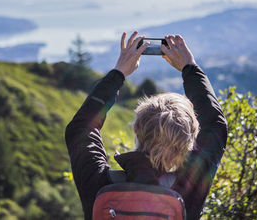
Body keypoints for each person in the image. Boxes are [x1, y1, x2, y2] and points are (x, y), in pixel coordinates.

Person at [65, 31, 227, 220]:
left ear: (136, 131)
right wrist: (189, 67)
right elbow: (215, 124)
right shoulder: (190, 186)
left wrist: (119, 72)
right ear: (189, 141)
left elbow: (80, 128)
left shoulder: (99, 183)